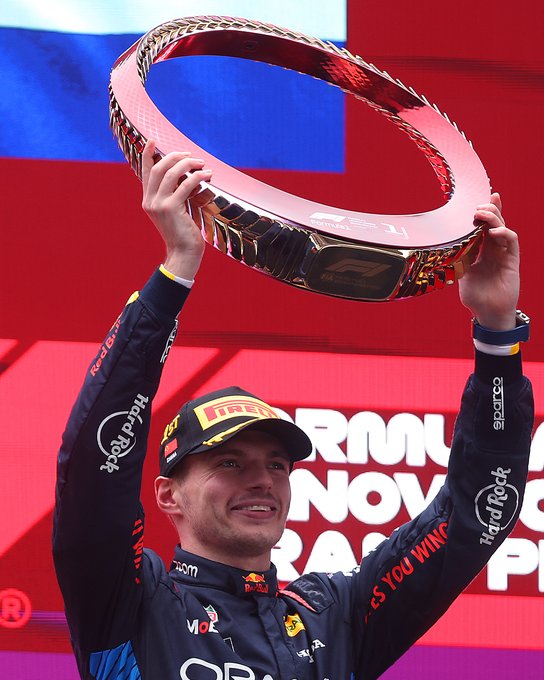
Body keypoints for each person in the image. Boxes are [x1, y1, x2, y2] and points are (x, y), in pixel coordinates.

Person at [53, 140, 534, 680]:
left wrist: (497, 333)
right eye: (230, 462)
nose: (262, 480)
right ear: (169, 495)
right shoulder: (129, 601)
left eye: (277, 464)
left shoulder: (337, 617)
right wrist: (174, 275)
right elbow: (94, 474)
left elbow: (476, 514)